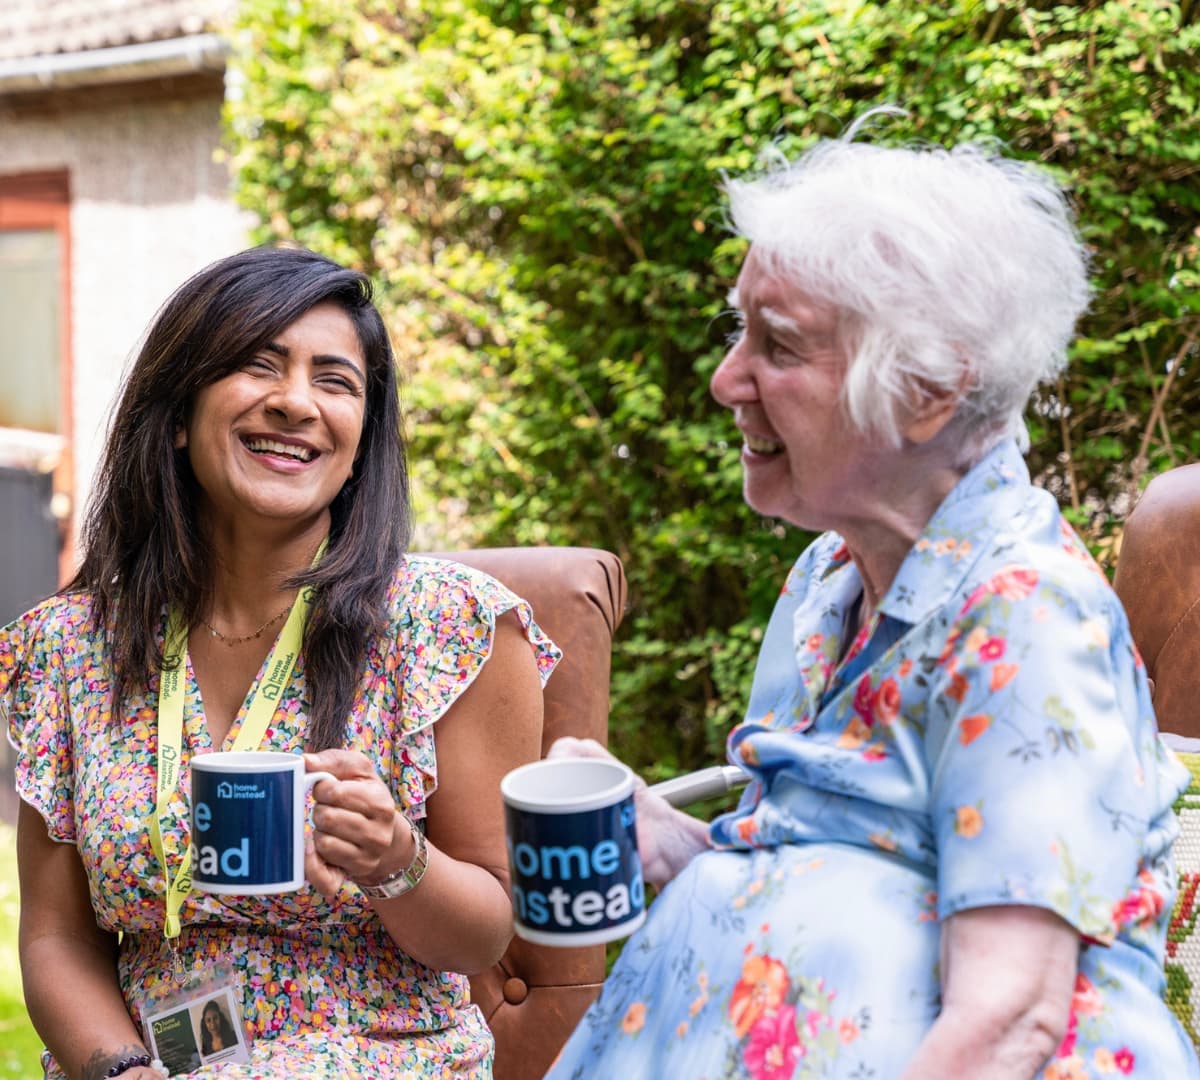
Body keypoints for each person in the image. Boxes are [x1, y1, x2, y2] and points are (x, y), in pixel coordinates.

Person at [547, 123, 1200, 1078]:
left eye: (778, 345)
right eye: (741, 331)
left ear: (928, 391)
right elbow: (827, 879)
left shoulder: (1025, 616)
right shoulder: (828, 580)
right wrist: (668, 841)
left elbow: (1009, 1024)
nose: (728, 378)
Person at [2, 247, 559, 1079]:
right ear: (180, 410)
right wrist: (120, 1069)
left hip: (384, 1061)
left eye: (335, 381)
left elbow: (488, 930)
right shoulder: (70, 646)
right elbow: (55, 937)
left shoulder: (455, 628)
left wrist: (394, 858)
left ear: (362, 433)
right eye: (259, 365)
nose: (297, 402)